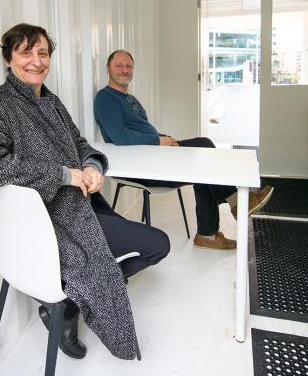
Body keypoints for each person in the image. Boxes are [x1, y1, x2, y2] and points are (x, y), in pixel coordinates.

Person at [0, 24, 169, 361]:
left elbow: (79, 143)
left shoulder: (51, 101)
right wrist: (61, 175)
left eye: (42, 53)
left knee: (155, 247)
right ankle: (69, 303)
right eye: (26, 52)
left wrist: (92, 168)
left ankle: (71, 298)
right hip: (51, 222)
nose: (36, 61)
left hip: (81, 205)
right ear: (8, 58)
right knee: (157, 243)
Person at [94, 50, 274, 251]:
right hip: (141, 165)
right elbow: (120, 136)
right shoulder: (105, 98)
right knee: (203, 150)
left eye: (129, 66)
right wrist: (158, 141)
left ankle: (210, 233)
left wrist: (165, 141)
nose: (125, 70)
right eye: (119, 65)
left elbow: (141, 130)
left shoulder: (130, 99)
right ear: (108, 68)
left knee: (203, 158)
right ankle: (232, 208)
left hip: (154, 154)